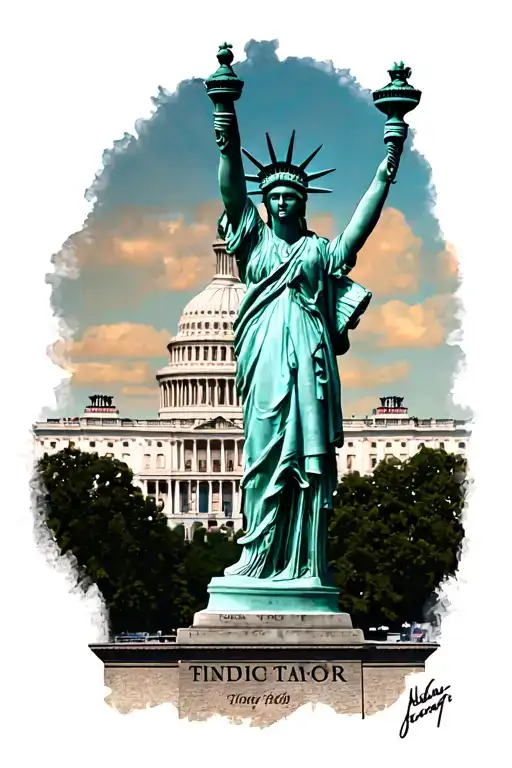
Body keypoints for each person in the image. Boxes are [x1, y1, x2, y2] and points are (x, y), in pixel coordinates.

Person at [214, 109, 402, 583]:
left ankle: (304, 565)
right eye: (273, 196)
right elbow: (233, 190)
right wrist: (226, 123)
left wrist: (385, 170)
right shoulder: (253, 243)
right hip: (263, 358)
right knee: (263, 457)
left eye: (289, 197)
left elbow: (360, 228)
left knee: (308, 466)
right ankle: (257, 555)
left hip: (310, 359)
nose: (280, 204)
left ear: (302, 203)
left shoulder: (319, 252)